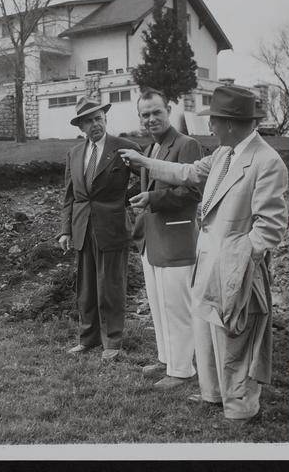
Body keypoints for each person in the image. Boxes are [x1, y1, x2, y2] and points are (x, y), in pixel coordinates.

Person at [119, 85, 288, 420]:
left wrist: (241, 260)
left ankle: (240, 409)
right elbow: (188, 172)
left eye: (215, 120)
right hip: (209, 260)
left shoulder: (267, 161)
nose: (210, 126)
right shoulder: (225, 153)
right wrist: (144, 162)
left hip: (237, 267)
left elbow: (270, 226)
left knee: (237, 337)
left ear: (231, 123)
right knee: (207, 332)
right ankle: (212, 394)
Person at [129, 88, 202, 390]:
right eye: (145, 114)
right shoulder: (150, 149)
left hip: (176, 238)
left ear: (168, 110)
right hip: (152, 240)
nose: (151, 119)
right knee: (159, 306)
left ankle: (182, 370)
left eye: (156, 112)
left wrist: (153, 199)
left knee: (177, 307)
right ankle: (166, 359)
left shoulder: (187, 144)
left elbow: (193, 192)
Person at [58, 96, 141, 361]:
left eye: (98, 118)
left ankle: (112, 341)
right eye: (89, 121)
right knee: (86, 288)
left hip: (112, 226)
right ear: (81, 127)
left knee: (111, 286)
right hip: (82, 227)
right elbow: (69, 195)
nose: (95, 124)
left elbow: (148, 177)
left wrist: (124, 200)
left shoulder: (124, 148)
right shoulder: (74, 153)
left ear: (105, 119)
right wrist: (66, 230)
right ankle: (88, 338)